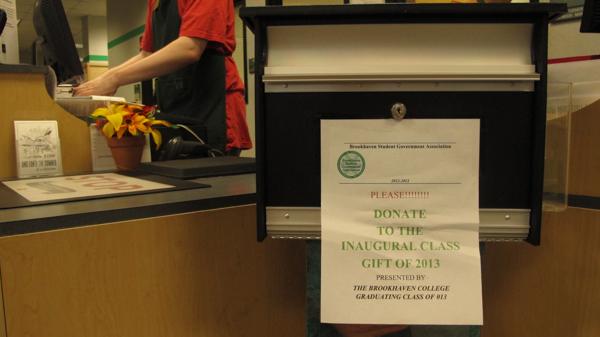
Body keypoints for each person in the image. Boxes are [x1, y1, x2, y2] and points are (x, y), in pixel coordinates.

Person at [74, 0, 252, 155]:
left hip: (212, 104)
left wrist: (115, 79)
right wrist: (104, 79)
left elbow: (190, 47)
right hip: (177, 104)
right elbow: (147, 53)